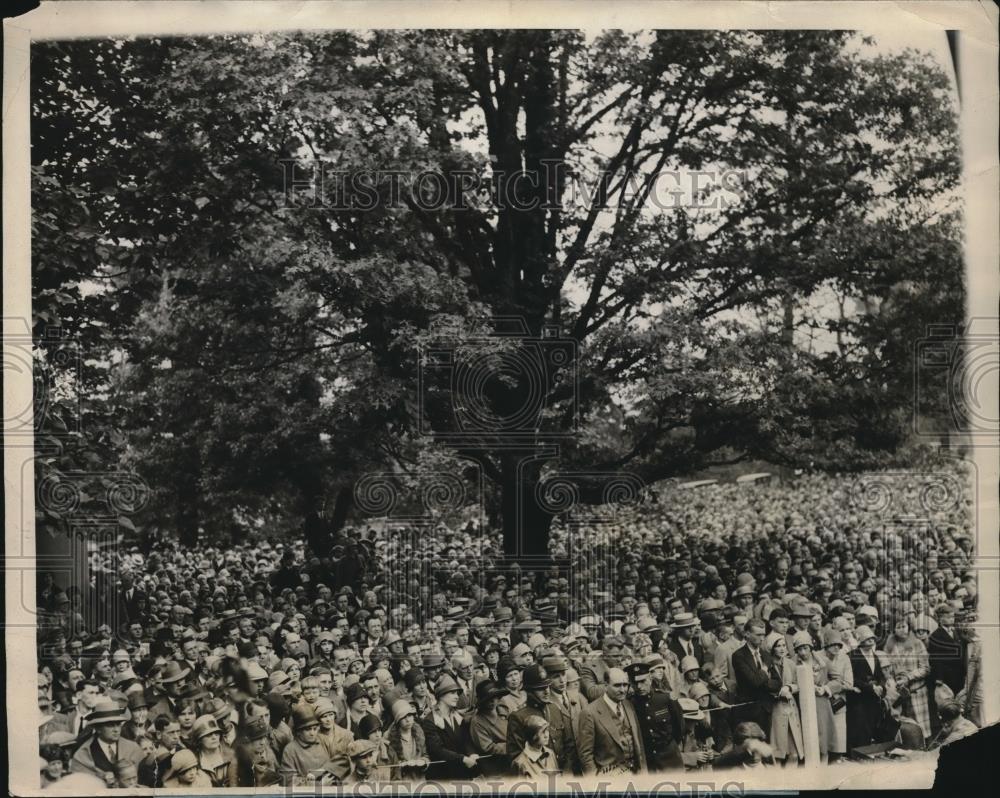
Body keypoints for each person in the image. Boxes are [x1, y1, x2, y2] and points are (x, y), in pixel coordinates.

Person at [506, 664, 578, 774]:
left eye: (548, 686)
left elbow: (568, 743)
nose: (547, 691)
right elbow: (516, 756)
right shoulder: (518, 717)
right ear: (529, 691)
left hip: (563, 772)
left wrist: (567, 771)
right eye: (540, 688)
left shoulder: (554, 708)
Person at [577, 667, 647, 775]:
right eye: (617, 685)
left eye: (625, 685)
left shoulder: (628, 705)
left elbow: (639, 742)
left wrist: (643, 772)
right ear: (605, 686)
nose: (623, 690)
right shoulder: (589, 713)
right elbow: (585, 755)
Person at [70, 699, 146, 785]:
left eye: (118, 724)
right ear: (98, 729)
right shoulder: (83, 755)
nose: (116, 730)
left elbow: (144, 779)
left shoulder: (133, 749)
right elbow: (80, 784)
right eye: (110, 725)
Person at [421, 674, 481, 781]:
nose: (457, 696)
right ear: (441, 695)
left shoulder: (457, 717)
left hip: (461, 772)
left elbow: (466, 740)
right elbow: (437, 750)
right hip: (442, 776)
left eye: (457, 693)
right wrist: (463, 759)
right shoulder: (430, 720)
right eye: (452, 693)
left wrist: (471, 753)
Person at [626, 662, 685, 770]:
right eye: (635, 683)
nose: (639, 687)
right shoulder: (630, 704)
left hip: (670, 758)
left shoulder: (665, 699)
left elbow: (679, 727)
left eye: (642, 681)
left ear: (650, 679)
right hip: (647, 760)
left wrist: (670, 746)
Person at [883, 617, 932, 739]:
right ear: (893, 630)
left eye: (903, 626)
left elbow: (925, 668)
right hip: (899, 693)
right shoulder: (890, 645)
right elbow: (886, 668)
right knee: (904, 727)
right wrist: (893, 681)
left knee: (921, 728)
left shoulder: (917, 644)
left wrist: (908, 677)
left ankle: (924, 748)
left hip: (917, 691)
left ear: (908, 627)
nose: (901, 630)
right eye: (898, 627)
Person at [732, 620, 780, 737]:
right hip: (749, 710)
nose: (762, 638)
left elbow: (778, 682)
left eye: (763, 634)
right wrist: (764, 671)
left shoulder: (766, 655)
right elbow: (753, 682)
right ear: (747, 634)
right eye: (758, 635)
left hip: (766, 709)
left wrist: (764, 682)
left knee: (765, 745)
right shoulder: (738, 656)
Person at [847, 625, 891, 750]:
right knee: (860, 728)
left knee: (872, 725)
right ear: (860, 640)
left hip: (873, 699)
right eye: (867, 638)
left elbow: (880, 676)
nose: (871, 640)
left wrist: (881, 687)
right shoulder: (852, 656)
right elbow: (851, 678)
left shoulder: (875, 657)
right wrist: (870, 688)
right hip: (858, 700)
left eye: (872, 638)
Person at [764, 634, 803, 764]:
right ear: (772, 648)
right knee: (778, 753)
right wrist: (777, 693)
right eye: (778, 646)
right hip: (775, 710)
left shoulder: (790, 663)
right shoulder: (766, 664)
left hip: (791, 709)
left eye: (783, 645)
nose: (782, 649)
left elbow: (799, 683)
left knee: (794, 753)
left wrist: (789, 687)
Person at [279, 704, 337, 786]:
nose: (312, 733)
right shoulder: (290, 750)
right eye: (308, 729)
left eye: (315, 728)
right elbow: (288, 781)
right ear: (299, 732)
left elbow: (336, 764)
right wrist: (315, 784)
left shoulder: (324, 740)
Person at [820, 627, 853, 761]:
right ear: (826, 644)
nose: (836, 648)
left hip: (838, 702)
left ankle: (837, 759)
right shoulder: (817, 656)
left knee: (839, 737)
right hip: (821, 702)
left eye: (838, 645)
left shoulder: (844, 658)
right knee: (823, 735)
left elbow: (849, 683)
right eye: (833, 644)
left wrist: (830, 687)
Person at [467, 681, 510, 777]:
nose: (492, 701)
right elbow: (488, 747)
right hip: (496, 768)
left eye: (494, 697)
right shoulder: (477, 721)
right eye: (488, 698)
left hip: (514, 761)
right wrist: (513, 745)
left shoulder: (504, 712)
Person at [386, 700, 429, 781]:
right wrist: (400, 764)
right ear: (398, 721)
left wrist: (424, 761)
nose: (408, 720)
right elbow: (389, 765)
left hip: (419, 780)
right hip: (402, 782)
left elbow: (425, 754)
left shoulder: (419, 733)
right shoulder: (390, 738)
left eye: (409, 715)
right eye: (403, 717)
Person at [190, 714, 237, 787]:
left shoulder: (232, 757)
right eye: (209, 734)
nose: (214, 737)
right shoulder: (193, 761)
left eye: (216, 733)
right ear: (199, 740)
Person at [233, 716, 280, 787]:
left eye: (264, 737)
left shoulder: (269, 754)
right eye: (258, 738)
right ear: (247, 741)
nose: (263, 742)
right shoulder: (238, 760)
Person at [511, 715, 561, 779]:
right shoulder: (519, 763)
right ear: (533, 736)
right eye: (543, 732)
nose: (546, 735)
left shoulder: (550, 753)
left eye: (547, 730)